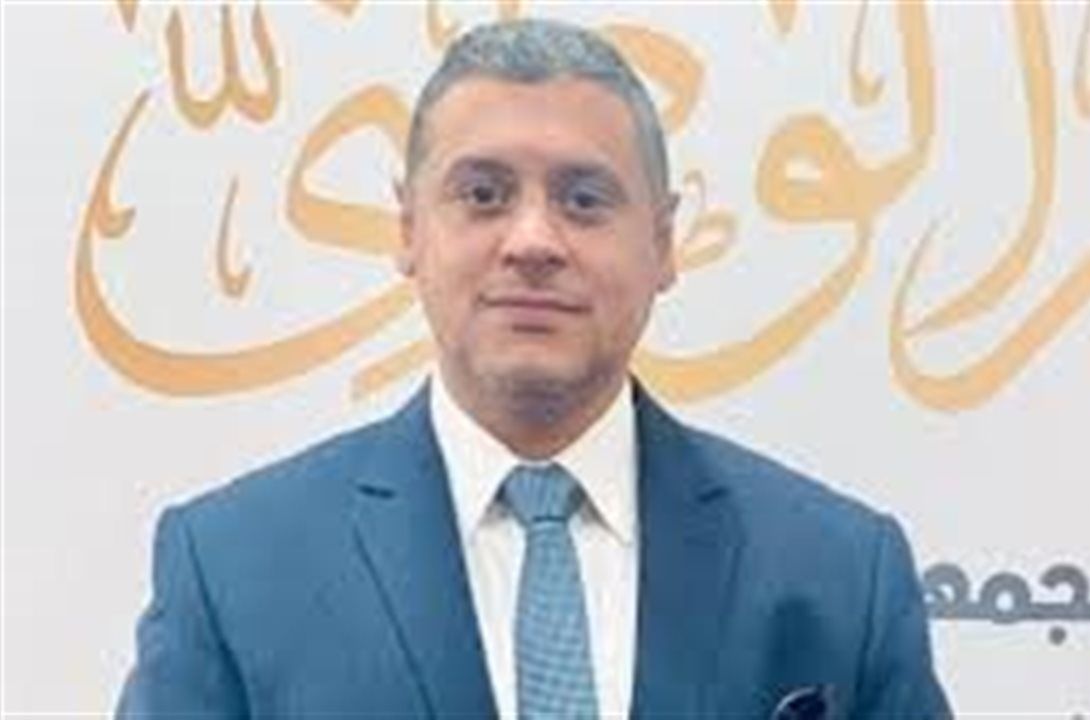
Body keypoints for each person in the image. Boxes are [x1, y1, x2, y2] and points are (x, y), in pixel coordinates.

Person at [117, 18, 951, 720]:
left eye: (584, 199)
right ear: (409, 230)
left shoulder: (840, 573)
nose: (533, 241)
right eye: (483, 195)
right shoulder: (234, 568)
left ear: (663, 243)